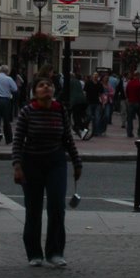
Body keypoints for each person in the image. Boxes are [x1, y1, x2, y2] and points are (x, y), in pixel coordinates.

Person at [12, 73, 82, 268]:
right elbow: (18, 141)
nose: (46, 88)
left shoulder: (60, 110)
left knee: (57, 206)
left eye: (49, 85)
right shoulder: (27, 112)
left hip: (56, 161)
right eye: (42, 85)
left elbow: (67, 138)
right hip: (32, 162)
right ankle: (34, 253)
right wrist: (17, 166)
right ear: (35, 92)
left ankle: (55, 252)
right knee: (33, 208)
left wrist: (77, 163)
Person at [124, 69, 140, 138]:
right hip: (138, 103)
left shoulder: (129, 83)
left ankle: (129, 132)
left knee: (130, 118)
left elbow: (126, 91)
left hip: (130, 102)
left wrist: (128, 98)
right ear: (138, 76)